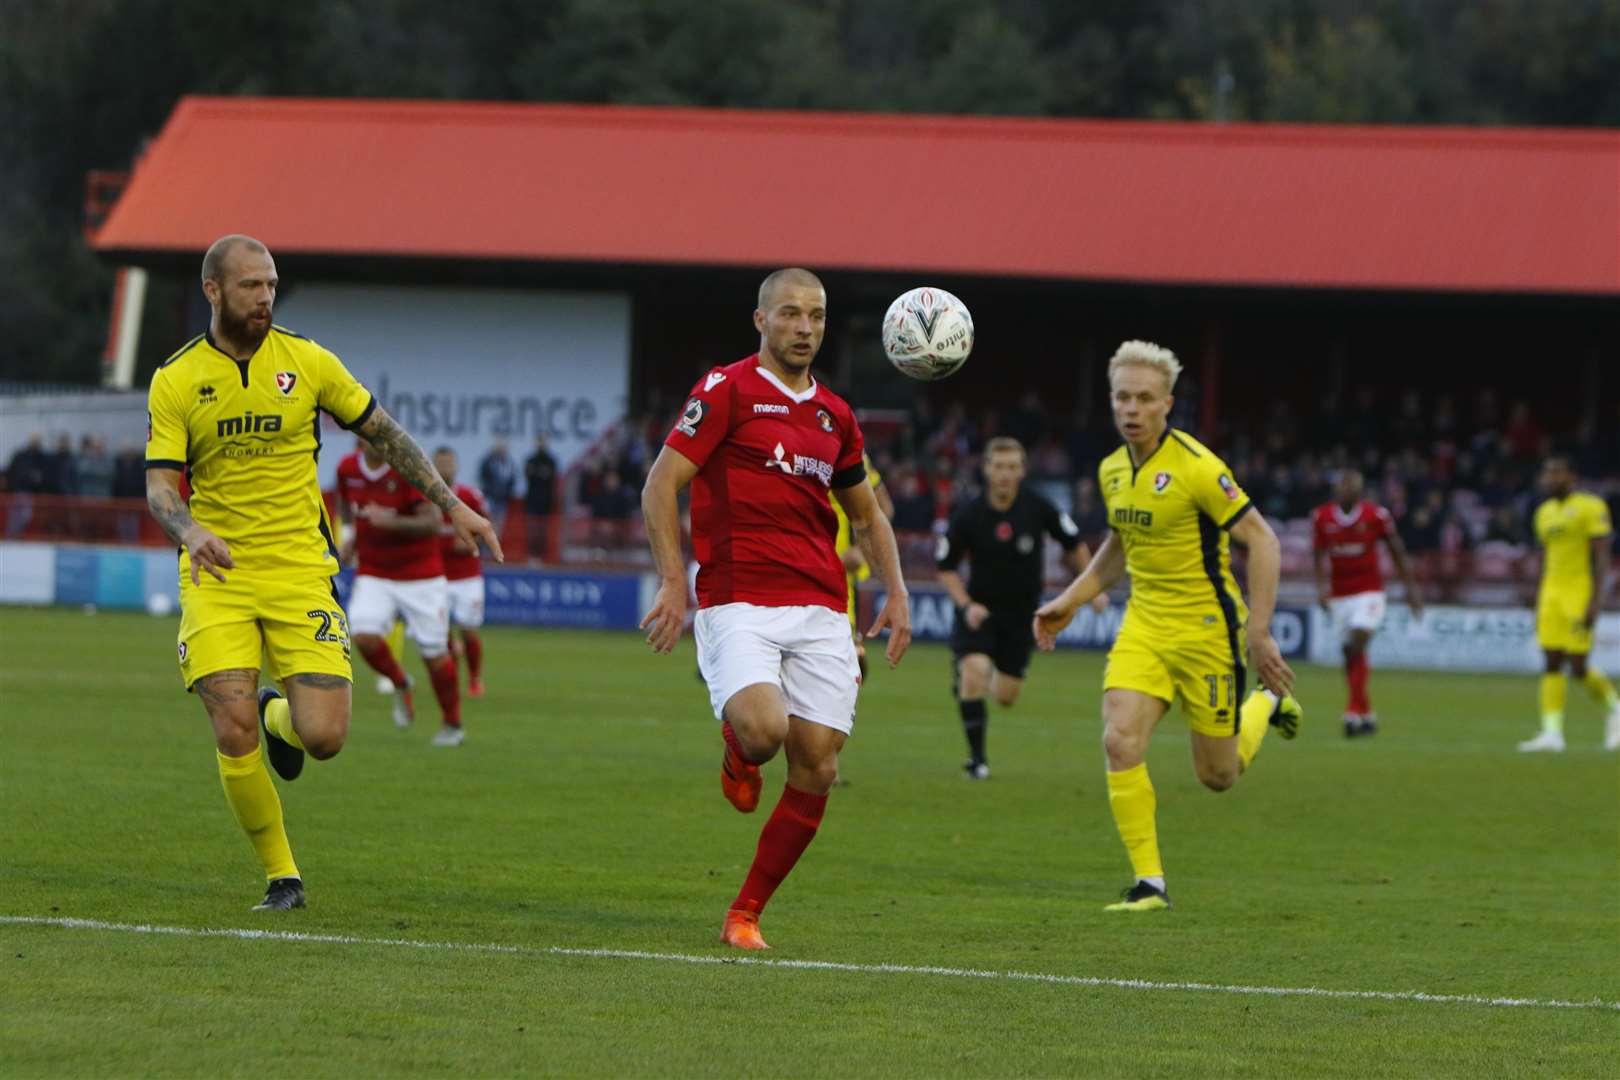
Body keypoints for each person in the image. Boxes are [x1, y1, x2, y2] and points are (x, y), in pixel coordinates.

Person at [145, 234, 500, 912]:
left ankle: (278, 715)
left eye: (272, 285)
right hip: (217, 576)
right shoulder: (177, 379)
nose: (265, 297)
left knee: (325, 737)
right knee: (230, 726)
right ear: (214, 291)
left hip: (302, 571)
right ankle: (283, 878)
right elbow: (162, 487)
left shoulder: (307, 361)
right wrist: (190, 531)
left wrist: (452, 506)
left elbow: (384, 432)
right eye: (251, 286)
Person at [639, 267, 911, 950]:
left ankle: (746, 912)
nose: (804, 328)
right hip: (738, 597)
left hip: (820, 605)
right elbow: (661, 483)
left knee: (818, 764)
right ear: (760, 321)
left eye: (816, 317)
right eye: (790, 314)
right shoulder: (725, 390)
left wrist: (899, 591)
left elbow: (867, 514)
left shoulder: (835, 416)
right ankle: (740, 753)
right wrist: (674, 583)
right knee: (765, 731)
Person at [1033, 340, 1301, 913]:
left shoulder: (1198, 468)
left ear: (1167, 404)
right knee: (1118, 738)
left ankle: (1267, 706)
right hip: (1144, 628)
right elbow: (1118, 549)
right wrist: (1071, 600)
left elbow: (1264, 539)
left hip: (1208, 633)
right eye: (1122, 397)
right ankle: (1149, 883)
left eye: (1144, 399)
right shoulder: (1111, 470)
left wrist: (1259, 631)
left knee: (1218, 776)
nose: (1131, 409)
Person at [937, 436, 1097, 779]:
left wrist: (1089, 587)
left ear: (1022, 471)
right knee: (974, 672)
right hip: (980, 613)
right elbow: (946, 567)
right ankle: (977, 761)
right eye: (998, 467)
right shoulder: (969, 514)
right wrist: (965, 606)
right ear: (987, 470)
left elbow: (1074, 545)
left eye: (1011, 467)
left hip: (1023, 617)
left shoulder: (1038, 507)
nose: (1005, 474)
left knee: (1007, 697)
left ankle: (973, 679)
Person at [336, 438, 466, 747]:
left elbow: (433, 522)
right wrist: (350, 535)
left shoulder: (407, 466)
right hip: (375, 570)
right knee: (364, 634)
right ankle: (400, 681)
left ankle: (452, 724)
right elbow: (344, 502)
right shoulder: (347, 467)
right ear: (359, 439)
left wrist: (391, 521)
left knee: (434, 655)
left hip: (421, 574)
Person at [1517, 454, 1619, 752]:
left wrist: (1595, 601)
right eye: (1547, 473)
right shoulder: (1544, 512)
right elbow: (1547, 556)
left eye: (1557, 473)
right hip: (1551, 593)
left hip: (1579, 592)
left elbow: (1601, 558)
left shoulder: (1591, 507)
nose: (1550, 479)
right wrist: (1537, 593)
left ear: (1572, 476)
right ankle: (1552, 733)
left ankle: (1615, 708)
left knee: (1577, 666)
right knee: (1550, 662)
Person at [1311, 468, 1423, 737]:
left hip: (1369, 592)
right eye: (1343, 486)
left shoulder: (1376, 516)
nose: (1347, 490)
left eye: (1352, 486)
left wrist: (1411, 590)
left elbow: (1397, 551)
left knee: (1359, 638)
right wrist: (1320, 588)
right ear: (1337, 490)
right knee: (1350, 653)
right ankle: (1365, 712)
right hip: (1340, 596)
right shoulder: (1321, 517)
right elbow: (1317, 554)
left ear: (1360, 491)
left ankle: (1352, 709)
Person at [831, 450, 894, 680]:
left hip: (841, 578)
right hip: (790, 571)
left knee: (844, 666)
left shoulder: (844, 447)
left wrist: (860, 550)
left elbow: (883, 508)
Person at [433, 446, 491, 697]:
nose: (445, 467)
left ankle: (475, 678)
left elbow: (486, 528)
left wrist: (472, 541)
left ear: (456, 466)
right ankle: (452, 678)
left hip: (467, 575)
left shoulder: (470, 495)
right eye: (440, 463)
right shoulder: (424, 495)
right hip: (436, 576)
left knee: (468, 631)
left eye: (449, 463)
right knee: (440, 631)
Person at [523, 434, 558, 561]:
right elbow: (529, 476)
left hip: (546, 501)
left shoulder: (551, 461)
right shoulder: (530, 460)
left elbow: (551, 478)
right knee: (532, 529)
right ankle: (531, 555)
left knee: (543, 530)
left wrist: (539, 474)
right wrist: (541, 474)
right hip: (532, 500)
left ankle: (542, 555)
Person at [477, 439, 517, 534]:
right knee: (487, 524)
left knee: (499, 526)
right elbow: (483, 475)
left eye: (504, 448)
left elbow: (512, 479)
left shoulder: (509, 463)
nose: (502, 450)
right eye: (500, 448)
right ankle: (486, 546)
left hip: (502, 499)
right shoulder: (489, 461)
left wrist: (508, 493)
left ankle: (495, 546)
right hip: (490, 497)